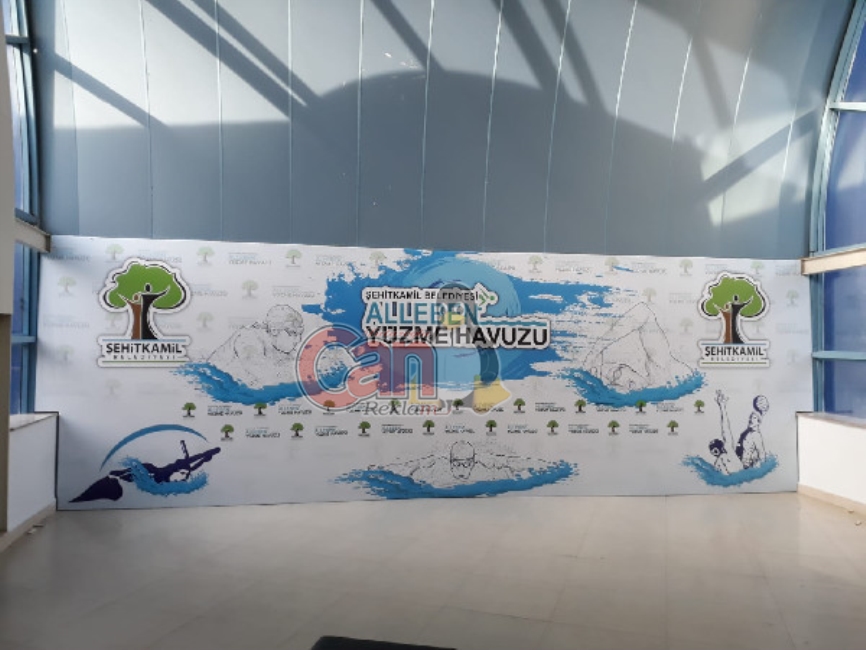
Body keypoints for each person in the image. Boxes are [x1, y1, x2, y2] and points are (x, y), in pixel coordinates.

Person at [715, 390, 768, 470]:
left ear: (758, 422)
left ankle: (722, 407)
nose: (750, 419)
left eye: (754, 418)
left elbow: (762, 455)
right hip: (738, 462)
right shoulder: (748, 432)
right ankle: (722, 406)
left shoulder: (756, 435)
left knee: (727, 447)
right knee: (726, 449)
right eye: (750, 417)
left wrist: (755, 469)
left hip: (743, 467)